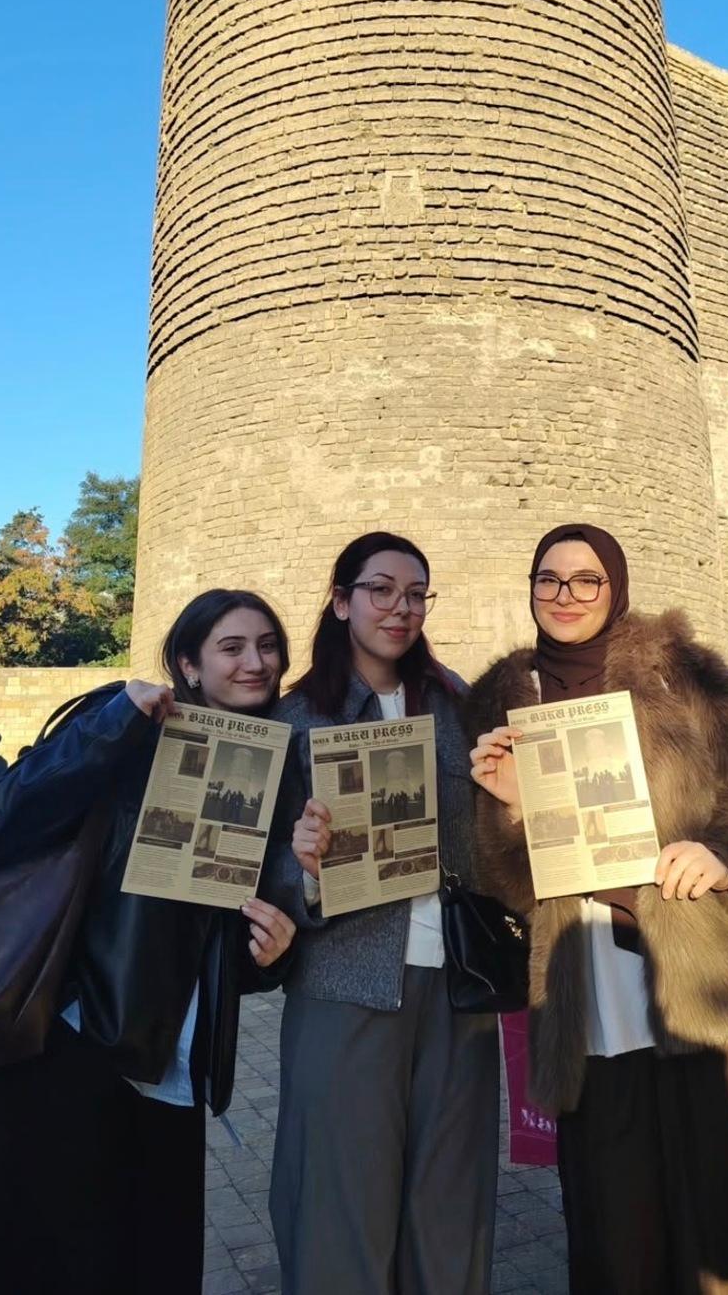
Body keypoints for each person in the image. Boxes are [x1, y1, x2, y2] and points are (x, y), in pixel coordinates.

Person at [467, 523, 728, 1295]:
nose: (565, 595)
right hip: (589, 992)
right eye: (548, 579)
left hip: (705, 981)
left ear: (614, 587)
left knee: (720, 1220)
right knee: (617, 1223)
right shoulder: (511, 699)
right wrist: (512, 810)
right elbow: (515, 885)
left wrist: (723, 854)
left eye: (585, 579)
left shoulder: (679, 670)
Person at [0, 588, 298, 1295]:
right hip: (67, 1046)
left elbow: (212, 940)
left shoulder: (263, 767)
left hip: (168, 1067)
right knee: (55, 1264)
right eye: (232, 647)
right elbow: (0, 823)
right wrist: (113, 724)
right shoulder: (122, 726)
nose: (256, 662)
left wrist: (269, 955)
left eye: (268, 646)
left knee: (154, 1263)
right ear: (188, 663)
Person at [269, 531, 499, 1295]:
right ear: (341, 601)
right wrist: (303, 873)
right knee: (340, 1201)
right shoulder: (298, 718)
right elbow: (261, 865)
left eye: (416, 595)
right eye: (381, 590)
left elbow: (495, 839)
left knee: (450, 1200)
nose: (400, 608)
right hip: (345, 981)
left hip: (458, 984)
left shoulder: (458, 706)